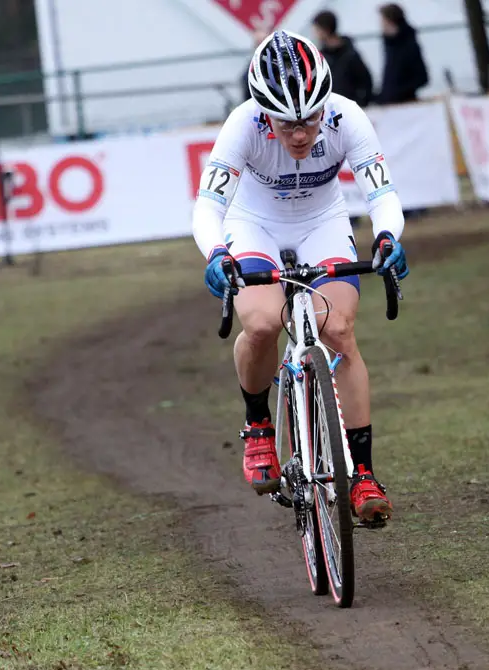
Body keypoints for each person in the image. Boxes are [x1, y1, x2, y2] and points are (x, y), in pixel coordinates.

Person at [191, 30, 408, 526]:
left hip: (322, 223)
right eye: (286, 123)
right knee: (264, 323)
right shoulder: (242, 124)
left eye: (310, 119)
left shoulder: (347, 115)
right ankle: (258, 422)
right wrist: (218, 252)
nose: (301, 134)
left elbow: (381, 193)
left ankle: (364, 475)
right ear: (263, 111)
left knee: (339, 332)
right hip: (254, 225)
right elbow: (208, 206)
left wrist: (388, 236)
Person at [312, 10, 374, 107]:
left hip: (352, 109)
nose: (315, 34)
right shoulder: (320, 57)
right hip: (333, 111)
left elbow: (366, 81)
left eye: (317, 30)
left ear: (325, 30)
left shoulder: (350, 54)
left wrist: (360, 104)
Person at [375, 3, 429, 105]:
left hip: (406, 103)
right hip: (390, 103)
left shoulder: (409, 45)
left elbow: (422, 78)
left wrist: (399, 92)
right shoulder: (389, 45)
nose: (381, 25)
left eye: (383, 21)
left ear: (390, 22)